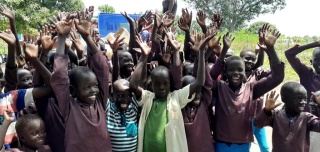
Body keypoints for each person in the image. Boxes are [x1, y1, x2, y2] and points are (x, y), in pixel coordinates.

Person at [49, 12, 123, 152]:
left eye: (95, 86)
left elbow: (102, 69)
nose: (93, 90)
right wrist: (61, 38)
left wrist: (87, 36)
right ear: (72, 91)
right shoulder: (68, 107)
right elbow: (59, 77)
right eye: (87, 87)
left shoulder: (99, 102)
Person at [130, 29, 213, 151]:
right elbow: (133, 85)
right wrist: (143, 56)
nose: (161, 87)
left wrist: (200, 52)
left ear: (170, 84)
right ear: (151, 84)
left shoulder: (176, 98)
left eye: (165, 83)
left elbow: (199, 82)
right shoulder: (148, 98)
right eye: (157, 84)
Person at [211, 26, 284, 152]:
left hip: (243, 145)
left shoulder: (251, 88)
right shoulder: (219, 87)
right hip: (221, 144)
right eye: (231, 70)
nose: (236, 73)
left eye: (240, 70)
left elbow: (277, 77)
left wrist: (271, 49)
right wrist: (223, 51)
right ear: (225, 72)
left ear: (245, 72)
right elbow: (208, 78)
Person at [254, 82, 320, 152]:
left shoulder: (307, 118)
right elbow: (257, 124)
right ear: (284, 99)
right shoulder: (275, 115)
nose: (303, 102)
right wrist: (266, 111)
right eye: (298, 98)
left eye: (305, 99)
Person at [106, 79, 138, 152]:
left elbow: (139, 80)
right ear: (112, 96)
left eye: (129, 96)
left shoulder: (133, 109)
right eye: (120, 96)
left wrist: (143, 66)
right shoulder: (109, 110)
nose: (125, 99)